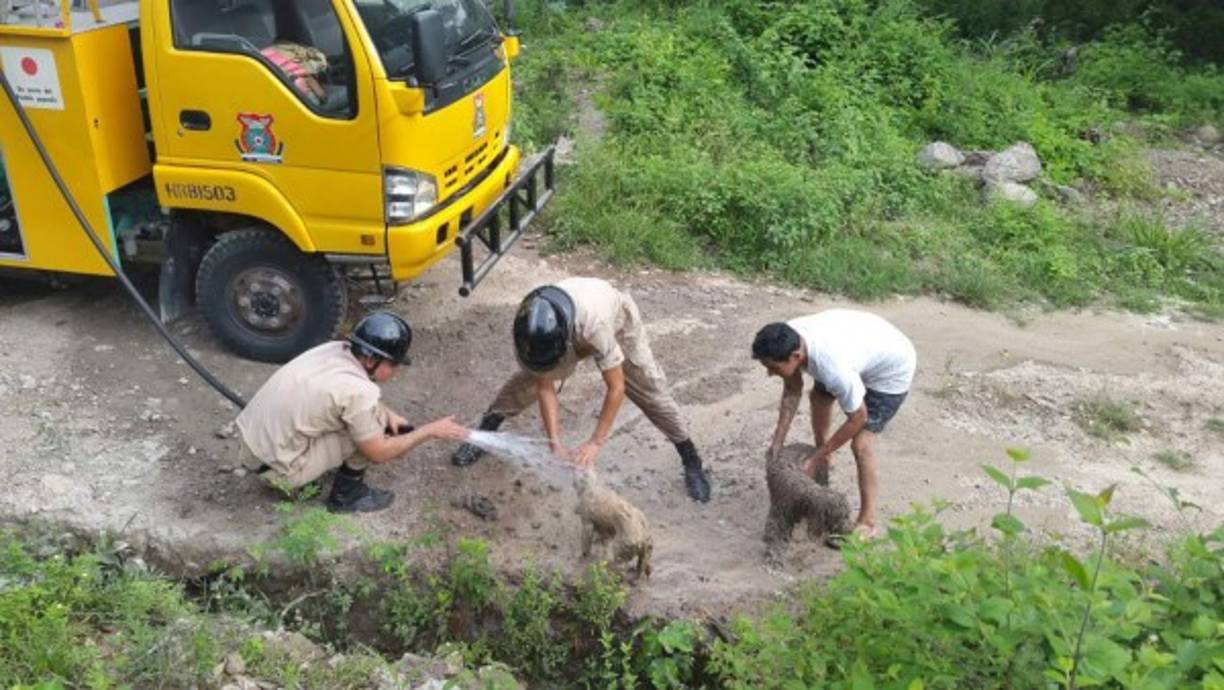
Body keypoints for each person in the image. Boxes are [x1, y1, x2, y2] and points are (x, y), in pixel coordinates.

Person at [450, 277, 712, 502]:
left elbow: (616, 387)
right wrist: (555, 442)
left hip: (615, 321)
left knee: (647, 389)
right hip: (570, 324)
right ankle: (485, 431)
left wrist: (595, 442)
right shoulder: (530, 323)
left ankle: (690, 458)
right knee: (526, 380)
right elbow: (544, 385)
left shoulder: (594, 327)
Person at [235, 311, 468, 513]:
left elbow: (347, 398)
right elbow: (378, 453)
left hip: (251, 447)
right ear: (369, 359)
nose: (395, 371)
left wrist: (389, 414)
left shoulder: (333, 350)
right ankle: (346, 497)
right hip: (277, 470)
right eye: (393, 365)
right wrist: (430, 431)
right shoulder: (360, 392)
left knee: (371, 417)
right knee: (374, 432)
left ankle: (301, 467)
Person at [751, 309, 916, 538]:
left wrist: (816, 456)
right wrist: (777, 442)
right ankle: (824, 457)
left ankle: (867, 522)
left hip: (892, 367)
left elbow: (858, 417)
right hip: (860, 344)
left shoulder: (833, 370)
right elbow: (792, 389)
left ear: (796, 357)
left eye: (774, 368)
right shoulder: (786, 337)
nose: (770, 374)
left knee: (861, 445)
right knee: (818, 398)